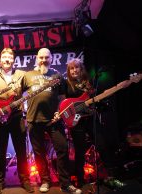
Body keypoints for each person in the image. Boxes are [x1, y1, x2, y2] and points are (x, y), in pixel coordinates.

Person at [21, 48, 82, 194]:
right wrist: (24, 110)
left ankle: (65, 183)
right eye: (41, 57)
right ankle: (45, 181)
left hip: (54, 120)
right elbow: (19, 95)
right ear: (37, 58)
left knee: (62, 149)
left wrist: (59, 112)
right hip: (34, 120)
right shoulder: (28, 75)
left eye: (46, 57)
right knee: (39, 153)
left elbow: (62, 98)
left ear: (51, 59)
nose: (43, 60)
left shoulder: (57, 75)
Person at [0, 48, 33, 194]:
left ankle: (25, 179)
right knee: (0, 152)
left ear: (14, 60)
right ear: (0, 60)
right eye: (4, 57)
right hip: (0, 117)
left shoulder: (22, 75)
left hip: (17, 116)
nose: (7, 59)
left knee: (21, 151)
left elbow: (34, 82)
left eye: (10, 57)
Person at [54, 58, 94, 188]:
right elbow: (62, 103)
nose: (74, 70)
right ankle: (80, 178)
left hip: (88, 119)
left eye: (77, 67)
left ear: (81, 69)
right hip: (76, 121)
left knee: (93, 146)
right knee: (79, 150)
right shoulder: (66, 84)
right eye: (71, 68)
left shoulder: (89, 83)